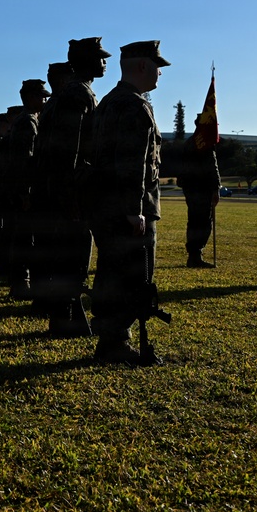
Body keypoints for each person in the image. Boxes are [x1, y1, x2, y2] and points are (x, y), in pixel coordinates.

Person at [88, 40, 170, 365]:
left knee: (111, 273)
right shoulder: (134, 105)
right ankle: (115, 343)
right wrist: (134, 208)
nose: (160, 72)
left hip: (105, 204)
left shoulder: (108, 102)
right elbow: (132, 162)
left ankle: (110, 340)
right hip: (127, 208)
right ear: (141, 67)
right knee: (132, 276)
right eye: (157, 66)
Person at [31, 37, 110, 337]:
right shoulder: (78, 94)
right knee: (72, 257)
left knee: (65, 256)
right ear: (86, 62)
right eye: (99, 58)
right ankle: (65, 320)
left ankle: (66, 316)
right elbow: (69, 151)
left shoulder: (68, 93)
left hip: (58, 190)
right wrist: (71, 195)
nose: (104, 63)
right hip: (68, 192)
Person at [7, 79, 50, 299]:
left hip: (23, 187)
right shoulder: (27, 122)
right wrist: (25, 192)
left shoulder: (27, 120)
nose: (44, 100)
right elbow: (24, 160)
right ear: (30, 98)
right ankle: (21, 284)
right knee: (25, 239)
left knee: (23, 237)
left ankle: (21, 283)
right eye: (42, 96)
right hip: (25, 189)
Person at [178, 114, 220, 268]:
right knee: (202, 223)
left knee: (194, 221)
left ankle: (194, 255)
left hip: (191, 187)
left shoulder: (190, 141)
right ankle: (196, 255)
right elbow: (211, 167)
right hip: (202, 188)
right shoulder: (205, 143)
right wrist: (216, 188)